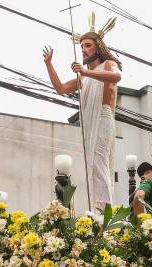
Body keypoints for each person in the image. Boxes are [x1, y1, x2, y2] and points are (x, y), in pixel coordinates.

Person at [43, 14, 121, 211]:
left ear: (98, 48)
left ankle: (106, 211)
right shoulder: (83, 79)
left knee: (98, 163)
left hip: (103, 117)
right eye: (82, 46)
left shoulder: (108, 65)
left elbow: (116, 76)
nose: (84, 50)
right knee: (91, 168)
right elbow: (60, 88)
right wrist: (49, 64)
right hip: (87, 122)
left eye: (87, 45)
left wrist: (85, 72)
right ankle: (99, 208)